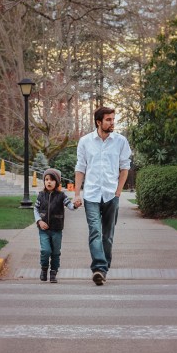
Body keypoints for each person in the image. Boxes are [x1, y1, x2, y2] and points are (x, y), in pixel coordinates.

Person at [74, 106, 131, 286]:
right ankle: (98, 268)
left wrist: (118, 192)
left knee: (107, 235)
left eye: (113, 119)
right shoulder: (85, 141)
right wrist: (77, 194)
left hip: (110, 194)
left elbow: (125, 168)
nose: (112, 122)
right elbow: (80, 168)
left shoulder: (121, 141)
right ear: (99, 122)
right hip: (91, 194)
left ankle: (103, 269)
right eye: (108, 120)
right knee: (95, 231)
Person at [34, 168, 78, 283]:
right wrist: (39, 221)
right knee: (45, 250)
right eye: (47, 179)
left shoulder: (62, 196)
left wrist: (75, 205)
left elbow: (70, 206)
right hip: (43, 230)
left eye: (52, 180)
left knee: (55, 252)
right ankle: (44, 269)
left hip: (57, 230)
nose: (49, 182)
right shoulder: (41, 195)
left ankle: (53, 273)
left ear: (57, 182)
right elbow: (35, 209)